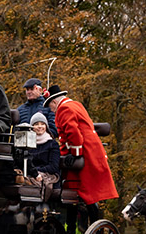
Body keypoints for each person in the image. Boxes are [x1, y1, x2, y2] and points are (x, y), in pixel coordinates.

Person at [43, 85, 118, 224]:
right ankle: (89, 226)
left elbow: (73, 133)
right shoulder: (76, 104)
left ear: (54, 102)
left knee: (85, 191)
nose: (51, 110)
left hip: (85, 152)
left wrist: (75, 153)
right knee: (86, 192)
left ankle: (91, 226)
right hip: (91, 150)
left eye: (50, 106)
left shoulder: (64, 109)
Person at [15, 112, 60, 198]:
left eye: (42, 124)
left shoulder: (52, 144)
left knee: (31, 178)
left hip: (47, 173)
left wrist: (34, 171)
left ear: (46, 126)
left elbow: (53, 167)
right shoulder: (26, 142)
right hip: (30, 171)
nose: (40, 126)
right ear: (32, 127)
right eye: (36, 124)